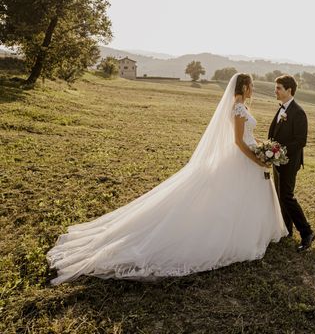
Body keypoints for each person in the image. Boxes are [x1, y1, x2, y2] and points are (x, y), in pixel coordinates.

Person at [46, 73, 288, 285]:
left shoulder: (242, 107)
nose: (253, 89)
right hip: (240, 160)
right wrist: (257, 159)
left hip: (248, 158)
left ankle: (249, 234)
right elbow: (237, 141)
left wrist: (264, 148)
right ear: (244, 87)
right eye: (251, 85)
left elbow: (248, 136)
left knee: (238, 201)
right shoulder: (237, 107)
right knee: (229, 201)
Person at [268, 75, 315, 252]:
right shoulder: (281, 109)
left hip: (289, 161)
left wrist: (280, 151)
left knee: (287, 196)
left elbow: (300, 141)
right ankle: (287, 230)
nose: (276, 91)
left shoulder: (298, 112)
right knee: (281, 196)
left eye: (279, 88)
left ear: (289, 90)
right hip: (277, 161)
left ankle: (307, 233)